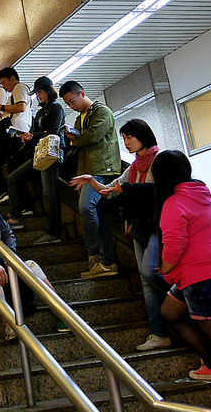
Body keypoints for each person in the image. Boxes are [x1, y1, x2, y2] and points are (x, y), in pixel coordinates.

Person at [153, 150, 211, 412]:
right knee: (169, 312)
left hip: (200, 277)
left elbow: (174, 246)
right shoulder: (203, 194)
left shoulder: (174, 202)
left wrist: (163, 267)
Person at [70, 119, 170, 351]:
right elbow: (110, 191)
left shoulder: (160, 159)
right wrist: (90, 180)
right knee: (145, 281)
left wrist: (126, 190)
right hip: (139, 227)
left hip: (159, 226)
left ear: (142, 136)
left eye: (129, 137)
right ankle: (159, 333)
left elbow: (158, 192)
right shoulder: (133, 168)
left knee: (149, 271)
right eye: (123, 138)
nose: (125, 142)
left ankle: (177, 296)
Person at [0, 180, 68, 339]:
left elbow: (8, 234)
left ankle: (63, 314)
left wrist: (10, 254)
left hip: (3, 261)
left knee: (32, 266)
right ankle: (8, 325)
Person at [60, 80, 121, 279]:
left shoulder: (103, 112)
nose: (71, 106)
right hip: (87, 170)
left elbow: (93, 136)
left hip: (102, 168)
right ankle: (107, 262)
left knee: (86, 208)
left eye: (72, 100)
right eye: (68, 104)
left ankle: (94, 254)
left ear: (82, 93)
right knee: (98, 215)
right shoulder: (80, 119)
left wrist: (74, 137)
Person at [7, 77, 65, 241]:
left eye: (39, 92)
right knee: (13, 178)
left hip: (52, 154)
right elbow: (36, 132)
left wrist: (32, 136)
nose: (38, 96)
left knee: (49, 193)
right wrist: (27, 138)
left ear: (47, 91)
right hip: (40, 154)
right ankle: (15, 217)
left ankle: (54, 232)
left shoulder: (56, 108)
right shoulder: (39, 112)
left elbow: (52, 132)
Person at [0, 67, 31, 206]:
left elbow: (21, 107)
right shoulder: (16, 92)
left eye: (5, 82)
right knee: (12, 166)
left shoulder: (19, 87)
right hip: (15, 131)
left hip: (14, 133)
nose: (4, 86)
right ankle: (22, 204)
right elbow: (14, 111)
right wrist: (0, 111)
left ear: (13, 78)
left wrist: (0, 107)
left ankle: (3, 192)